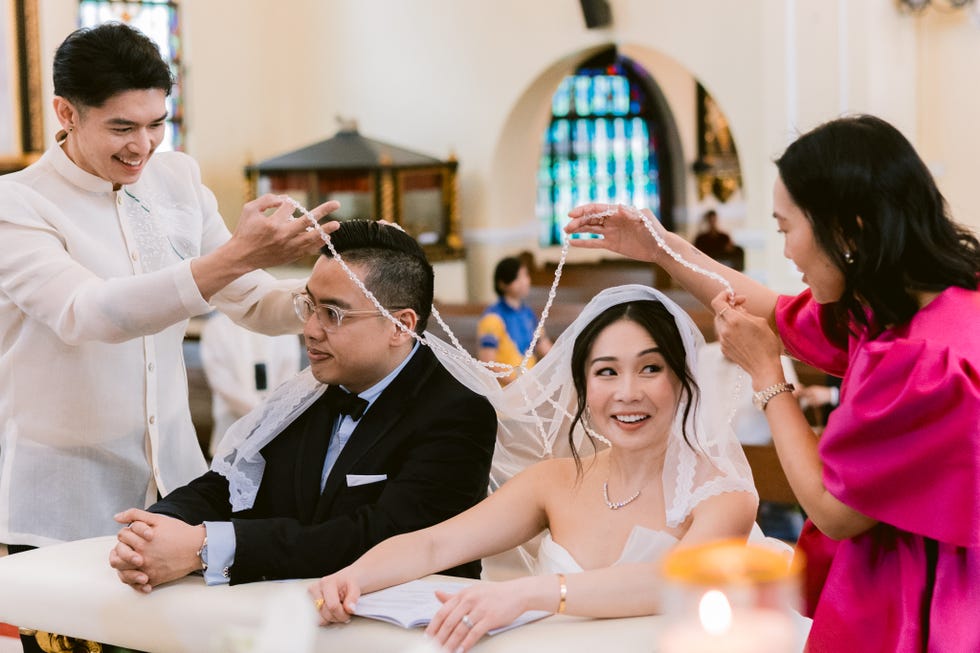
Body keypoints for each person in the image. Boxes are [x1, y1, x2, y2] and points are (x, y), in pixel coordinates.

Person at [565, 114, 980, 652]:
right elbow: (777, 313)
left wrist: (768, 379)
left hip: (936, 595)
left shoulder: (921, 362)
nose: (785, 250)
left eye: (787, 228)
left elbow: (833, 511)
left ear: (846, 228)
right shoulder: (923, 305)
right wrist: (660, 247)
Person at [310, 285, 758, 653]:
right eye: (606, 372)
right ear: (582, 385)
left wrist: (527, 593)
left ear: (683, 380)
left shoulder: (723, 493)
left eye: (650, 369)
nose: (627, 392)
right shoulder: (555, 482)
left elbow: (672, 582)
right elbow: (434, 544)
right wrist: (352, 577)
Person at [109, 220, 497, 591]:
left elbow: (372, 537)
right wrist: (155, 529)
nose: (310, 329)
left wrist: (204, 546)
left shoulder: (459, 414)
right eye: (308, 306)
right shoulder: (309, 393)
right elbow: (230, 484)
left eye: (333, 314)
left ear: (400, 326)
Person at [199, 311, 303, 456]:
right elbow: (221, 382)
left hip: (275, 426)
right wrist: (260, 412)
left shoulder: (284, 326)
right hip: (232, 426)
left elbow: (289, 376)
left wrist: (271, 412)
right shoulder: (216, 327)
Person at [477, 256, 552, 384]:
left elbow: (544, 347)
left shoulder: (528, 313)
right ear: (502, 283)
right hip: (506, 390)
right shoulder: (492, 318)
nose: (525, 281)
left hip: (530, 387)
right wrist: (516, 384)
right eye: (518, 278)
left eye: (525, 275)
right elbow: (488, 363)